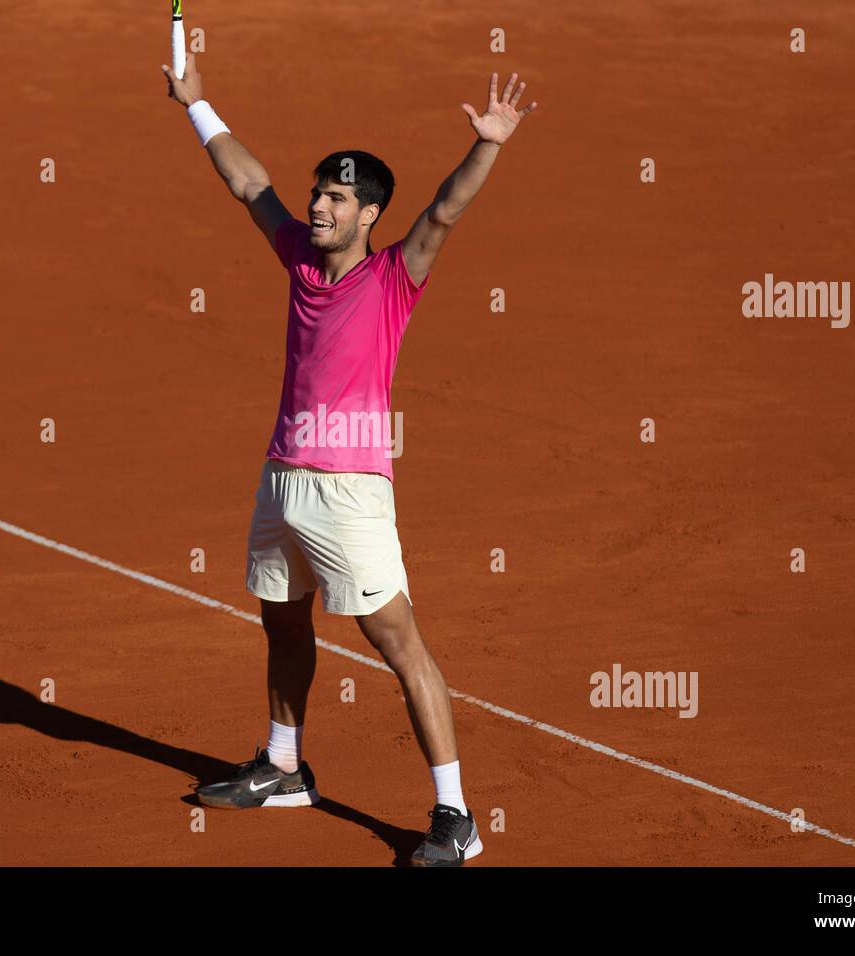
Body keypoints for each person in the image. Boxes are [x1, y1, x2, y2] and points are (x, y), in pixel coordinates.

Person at [161, 52, 537, 866]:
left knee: (398, 643)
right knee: (282, 623)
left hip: (350, 494)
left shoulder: (395, 276)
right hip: (282, 479)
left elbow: (442, 213)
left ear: (369, 214)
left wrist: (490, 145)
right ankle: (284, 768)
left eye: (336, 197)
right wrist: (198, 105)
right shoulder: (299, 256)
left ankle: (455, 816)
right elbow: (249, 185)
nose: (317, 204)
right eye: (319, 193)